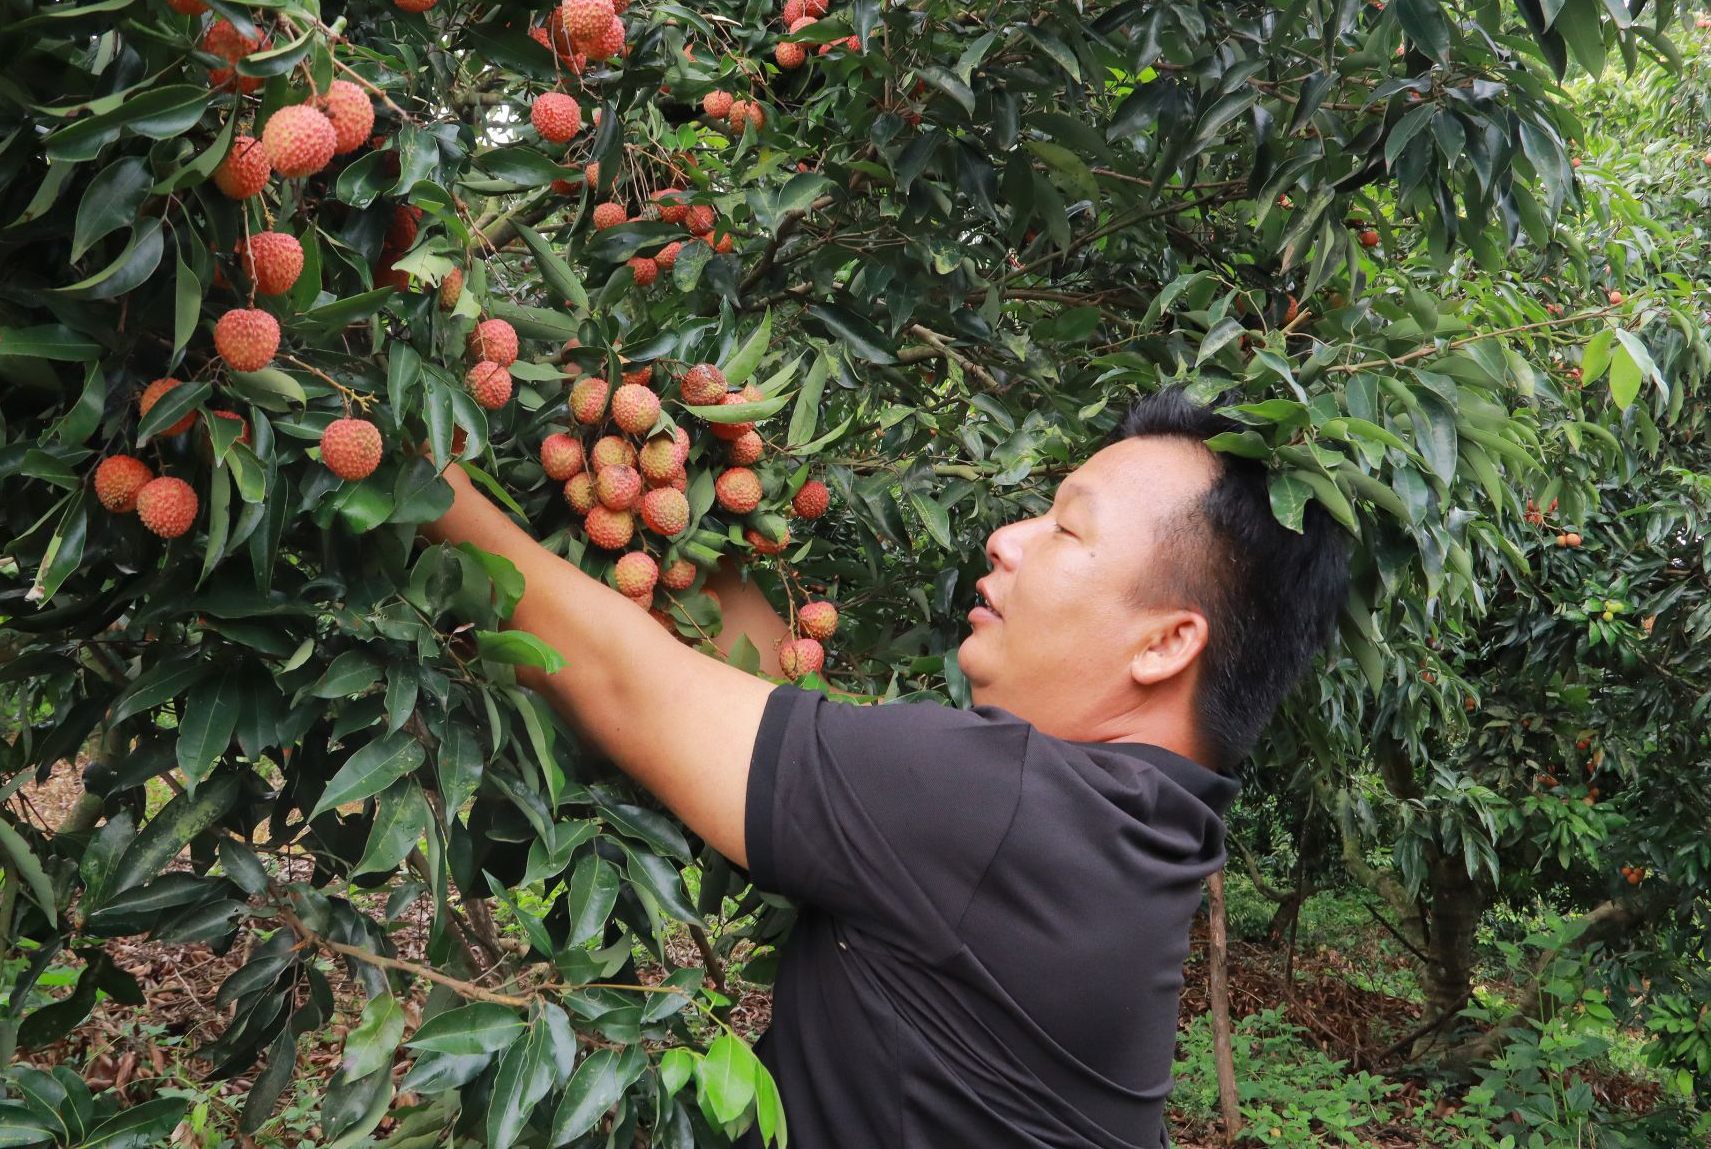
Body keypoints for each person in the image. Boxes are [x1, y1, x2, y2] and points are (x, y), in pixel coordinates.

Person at [417, 385, 1352, 1148]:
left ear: (1166, 644)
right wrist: (694, 505)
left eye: (1066, 529)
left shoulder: (994, 810)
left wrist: (411, 461)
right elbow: (803, 737)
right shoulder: (1124, 829)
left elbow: (628, 686)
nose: (1008, 538)